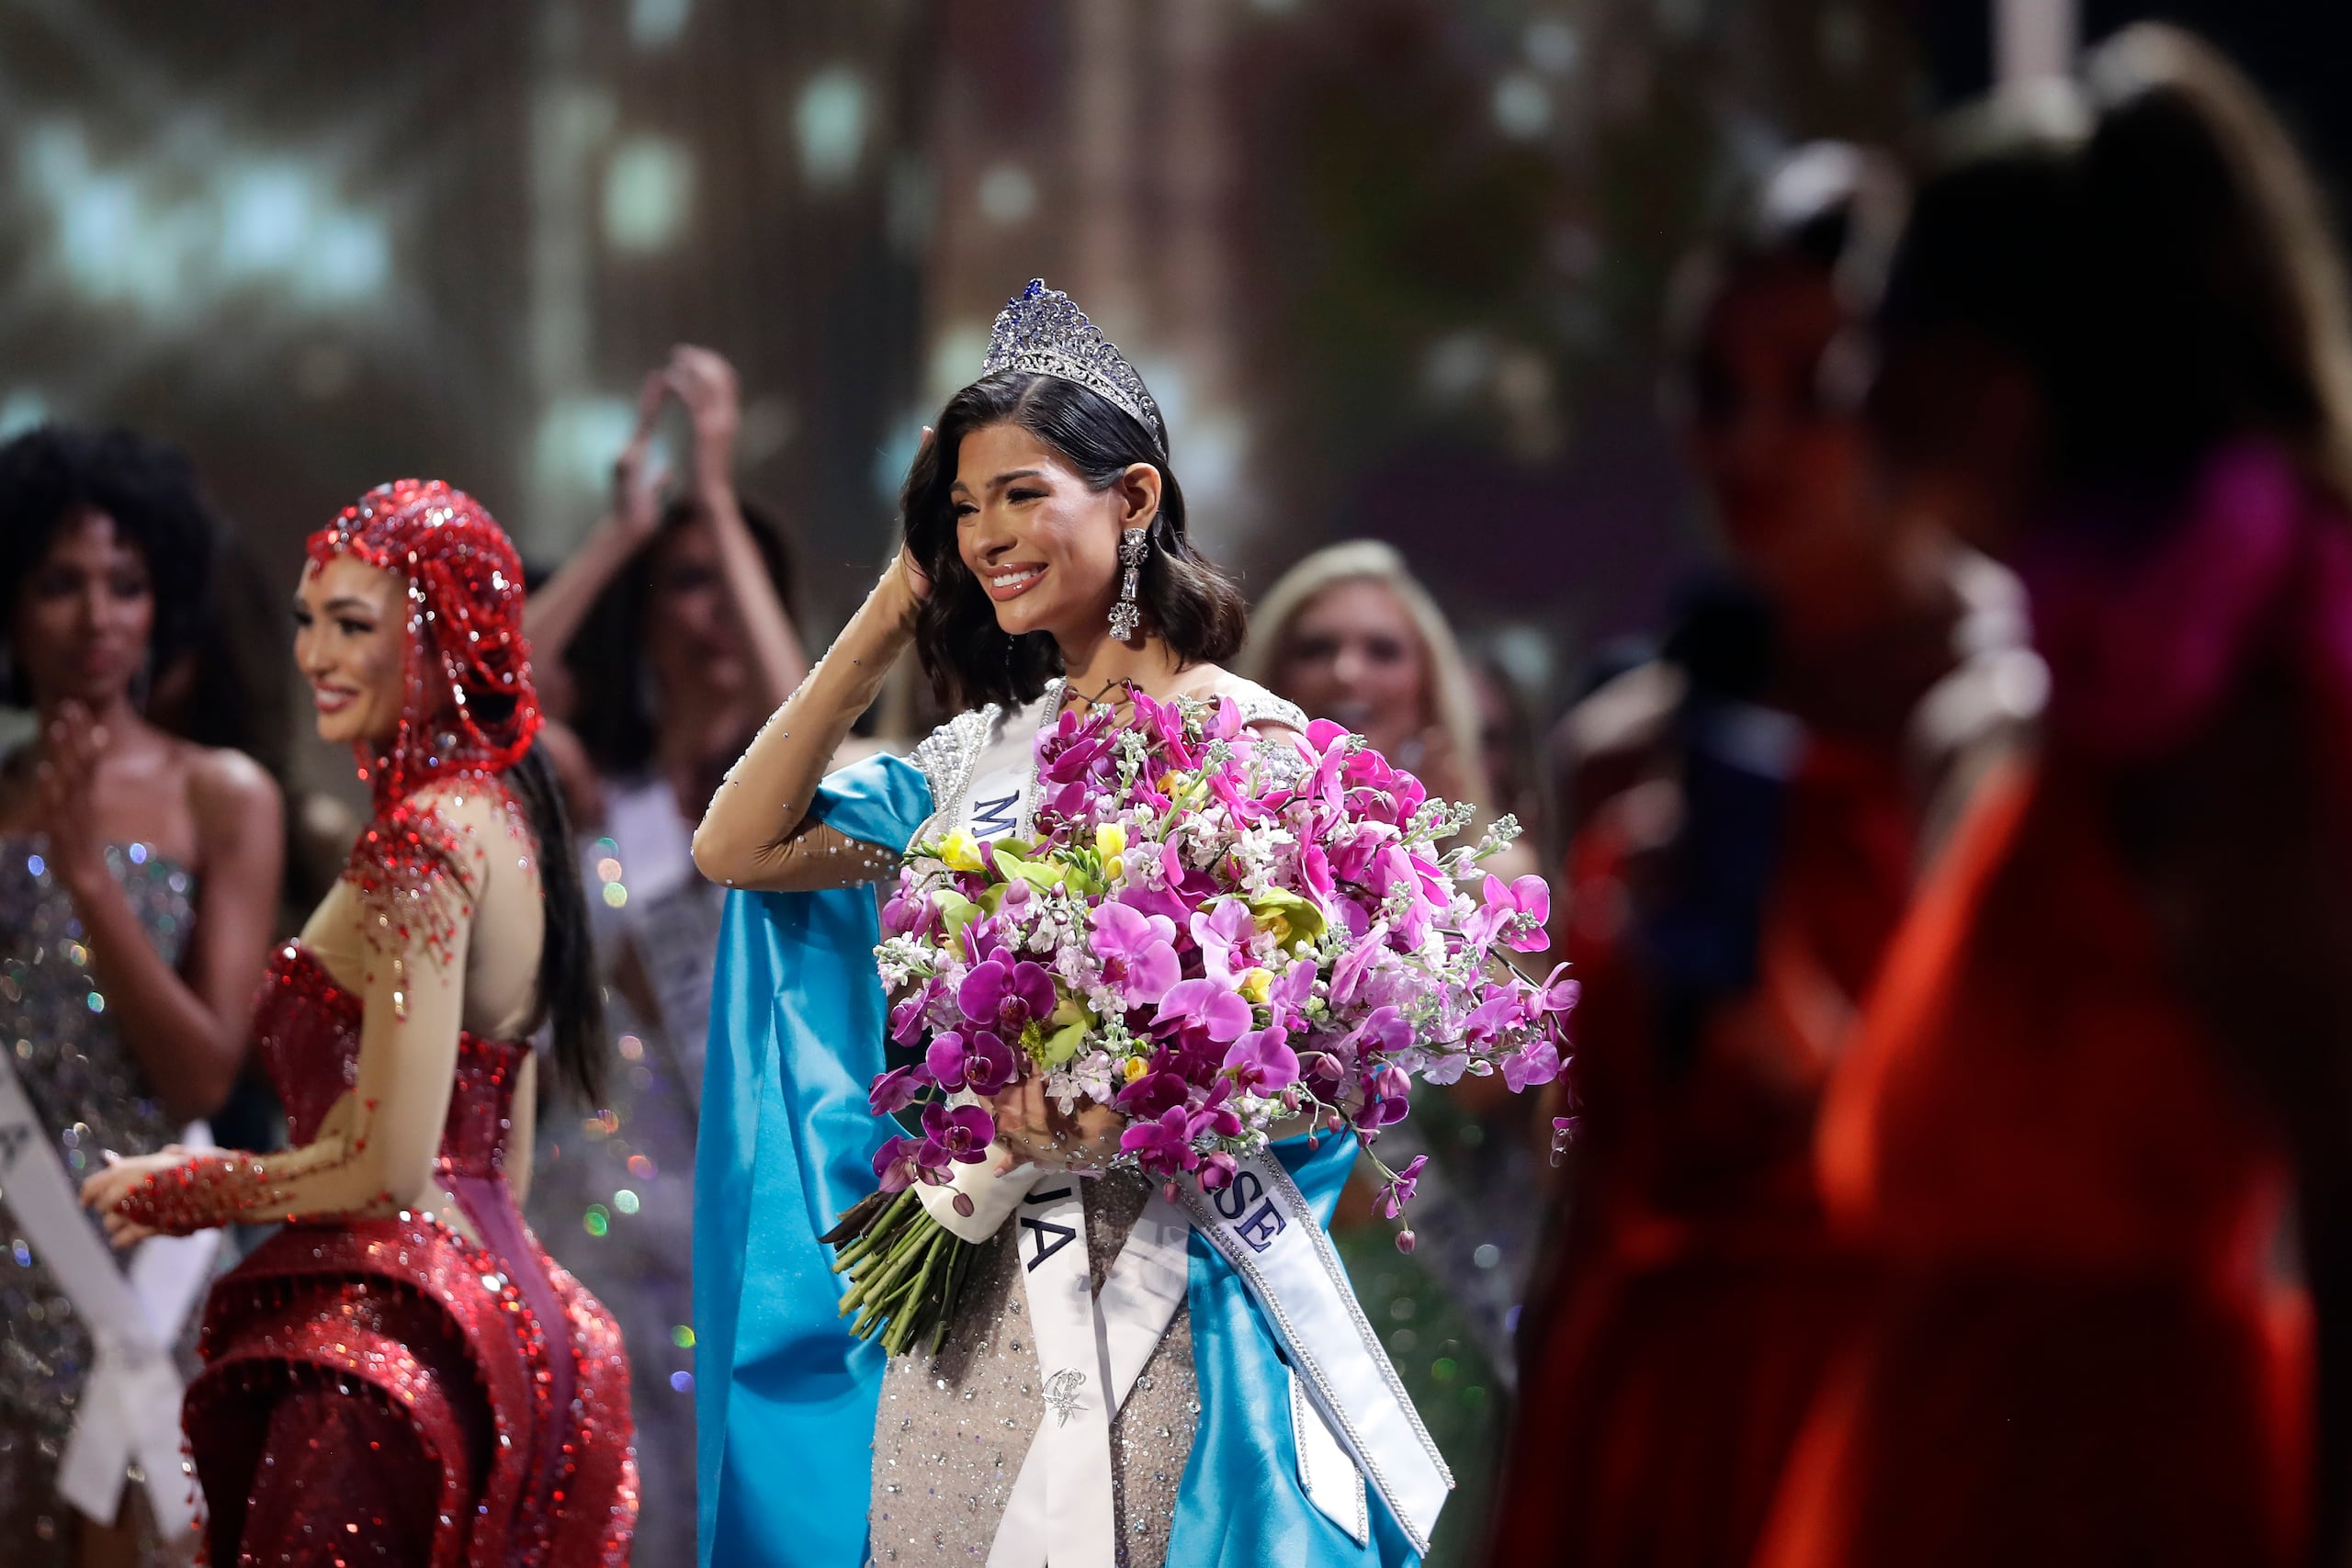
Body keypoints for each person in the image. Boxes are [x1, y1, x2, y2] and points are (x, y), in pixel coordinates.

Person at [690, 280, 1444, 1568]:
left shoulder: (1252, 741)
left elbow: (1329, 1057)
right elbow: (738, 845)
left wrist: (1143, 1103)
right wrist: (892, 604)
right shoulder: (975, 757)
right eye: (964, 508)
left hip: (1170, 1318)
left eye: (1023, 493)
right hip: (968, 1329)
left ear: (1134, 498)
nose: (989, 534)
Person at [1756, 28, 2352, 1566]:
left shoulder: (2219, 741)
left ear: (1989, 386)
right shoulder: (2071, 722)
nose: (1842, 388)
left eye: (1874, 334)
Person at [1487, 144, 2036, 1568]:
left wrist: (1799, 1038)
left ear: (1913, 383)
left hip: (1885, 1401)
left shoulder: (2015, 704)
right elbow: (1590, 1170)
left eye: (1814, 383)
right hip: (1640, 1395)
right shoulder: (1628, 738)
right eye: (1716, 389)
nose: (1753, 441)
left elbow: (2036, 1172)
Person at [78, 480, 637, 1566]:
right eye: (306, 620)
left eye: (352, 625)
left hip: (387, 1344)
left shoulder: (423, 847)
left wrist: (188, 1190)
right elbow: (499, 1159)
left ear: (444, 638)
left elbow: (384, 1170)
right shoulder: (503, 819)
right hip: (512, 1321)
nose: (316, 655)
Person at [521, 346, 808, 1568]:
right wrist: (615, 540)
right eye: (680, 583)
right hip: (600, 1249)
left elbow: (811, 707)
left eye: (726, 582)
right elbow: (474, 703)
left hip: (770, 1248)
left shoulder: (820, 813)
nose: (708, 611)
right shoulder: (598, 798)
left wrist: (718, 480)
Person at [0, 425, 283, 1568]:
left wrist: (84, 880)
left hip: (154, 1272)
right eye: (61, 583)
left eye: (127, 582)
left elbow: (206, 1073)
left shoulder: (221, 795)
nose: (98, 616)